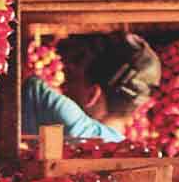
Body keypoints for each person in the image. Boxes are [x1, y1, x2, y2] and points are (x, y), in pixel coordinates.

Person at [22, 32, 160, 142]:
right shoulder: (123, 148)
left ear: (92, 95)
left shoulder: (75, 128)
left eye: (72, 79)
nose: (65, 87)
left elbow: (27, 84)